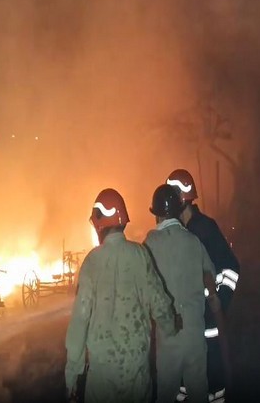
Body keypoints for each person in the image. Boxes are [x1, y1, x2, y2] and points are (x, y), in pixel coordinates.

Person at [65, 188, 181, 403]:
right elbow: (159, 302)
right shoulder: (140, 254)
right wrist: (172, 325)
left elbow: (80, 320)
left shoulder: (91, 262)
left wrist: (72, 374)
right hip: (137, 374)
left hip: (102, 378)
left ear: (99, 224)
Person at [166, 169, 240, 403]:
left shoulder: (205, 229)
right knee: (184, 389)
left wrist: (220, 300)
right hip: (187, 329)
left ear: (180, 199)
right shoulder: (179, 232)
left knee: (213, 387)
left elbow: (230, 268)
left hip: (208, 328)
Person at [144, 184, 222, 403]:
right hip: (195, 336)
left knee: (167, 395)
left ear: (156, 215)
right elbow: (211, 276)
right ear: (179, 211)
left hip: (168, 339)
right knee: (198, 393)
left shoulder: (149, 245)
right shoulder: (193, 241)